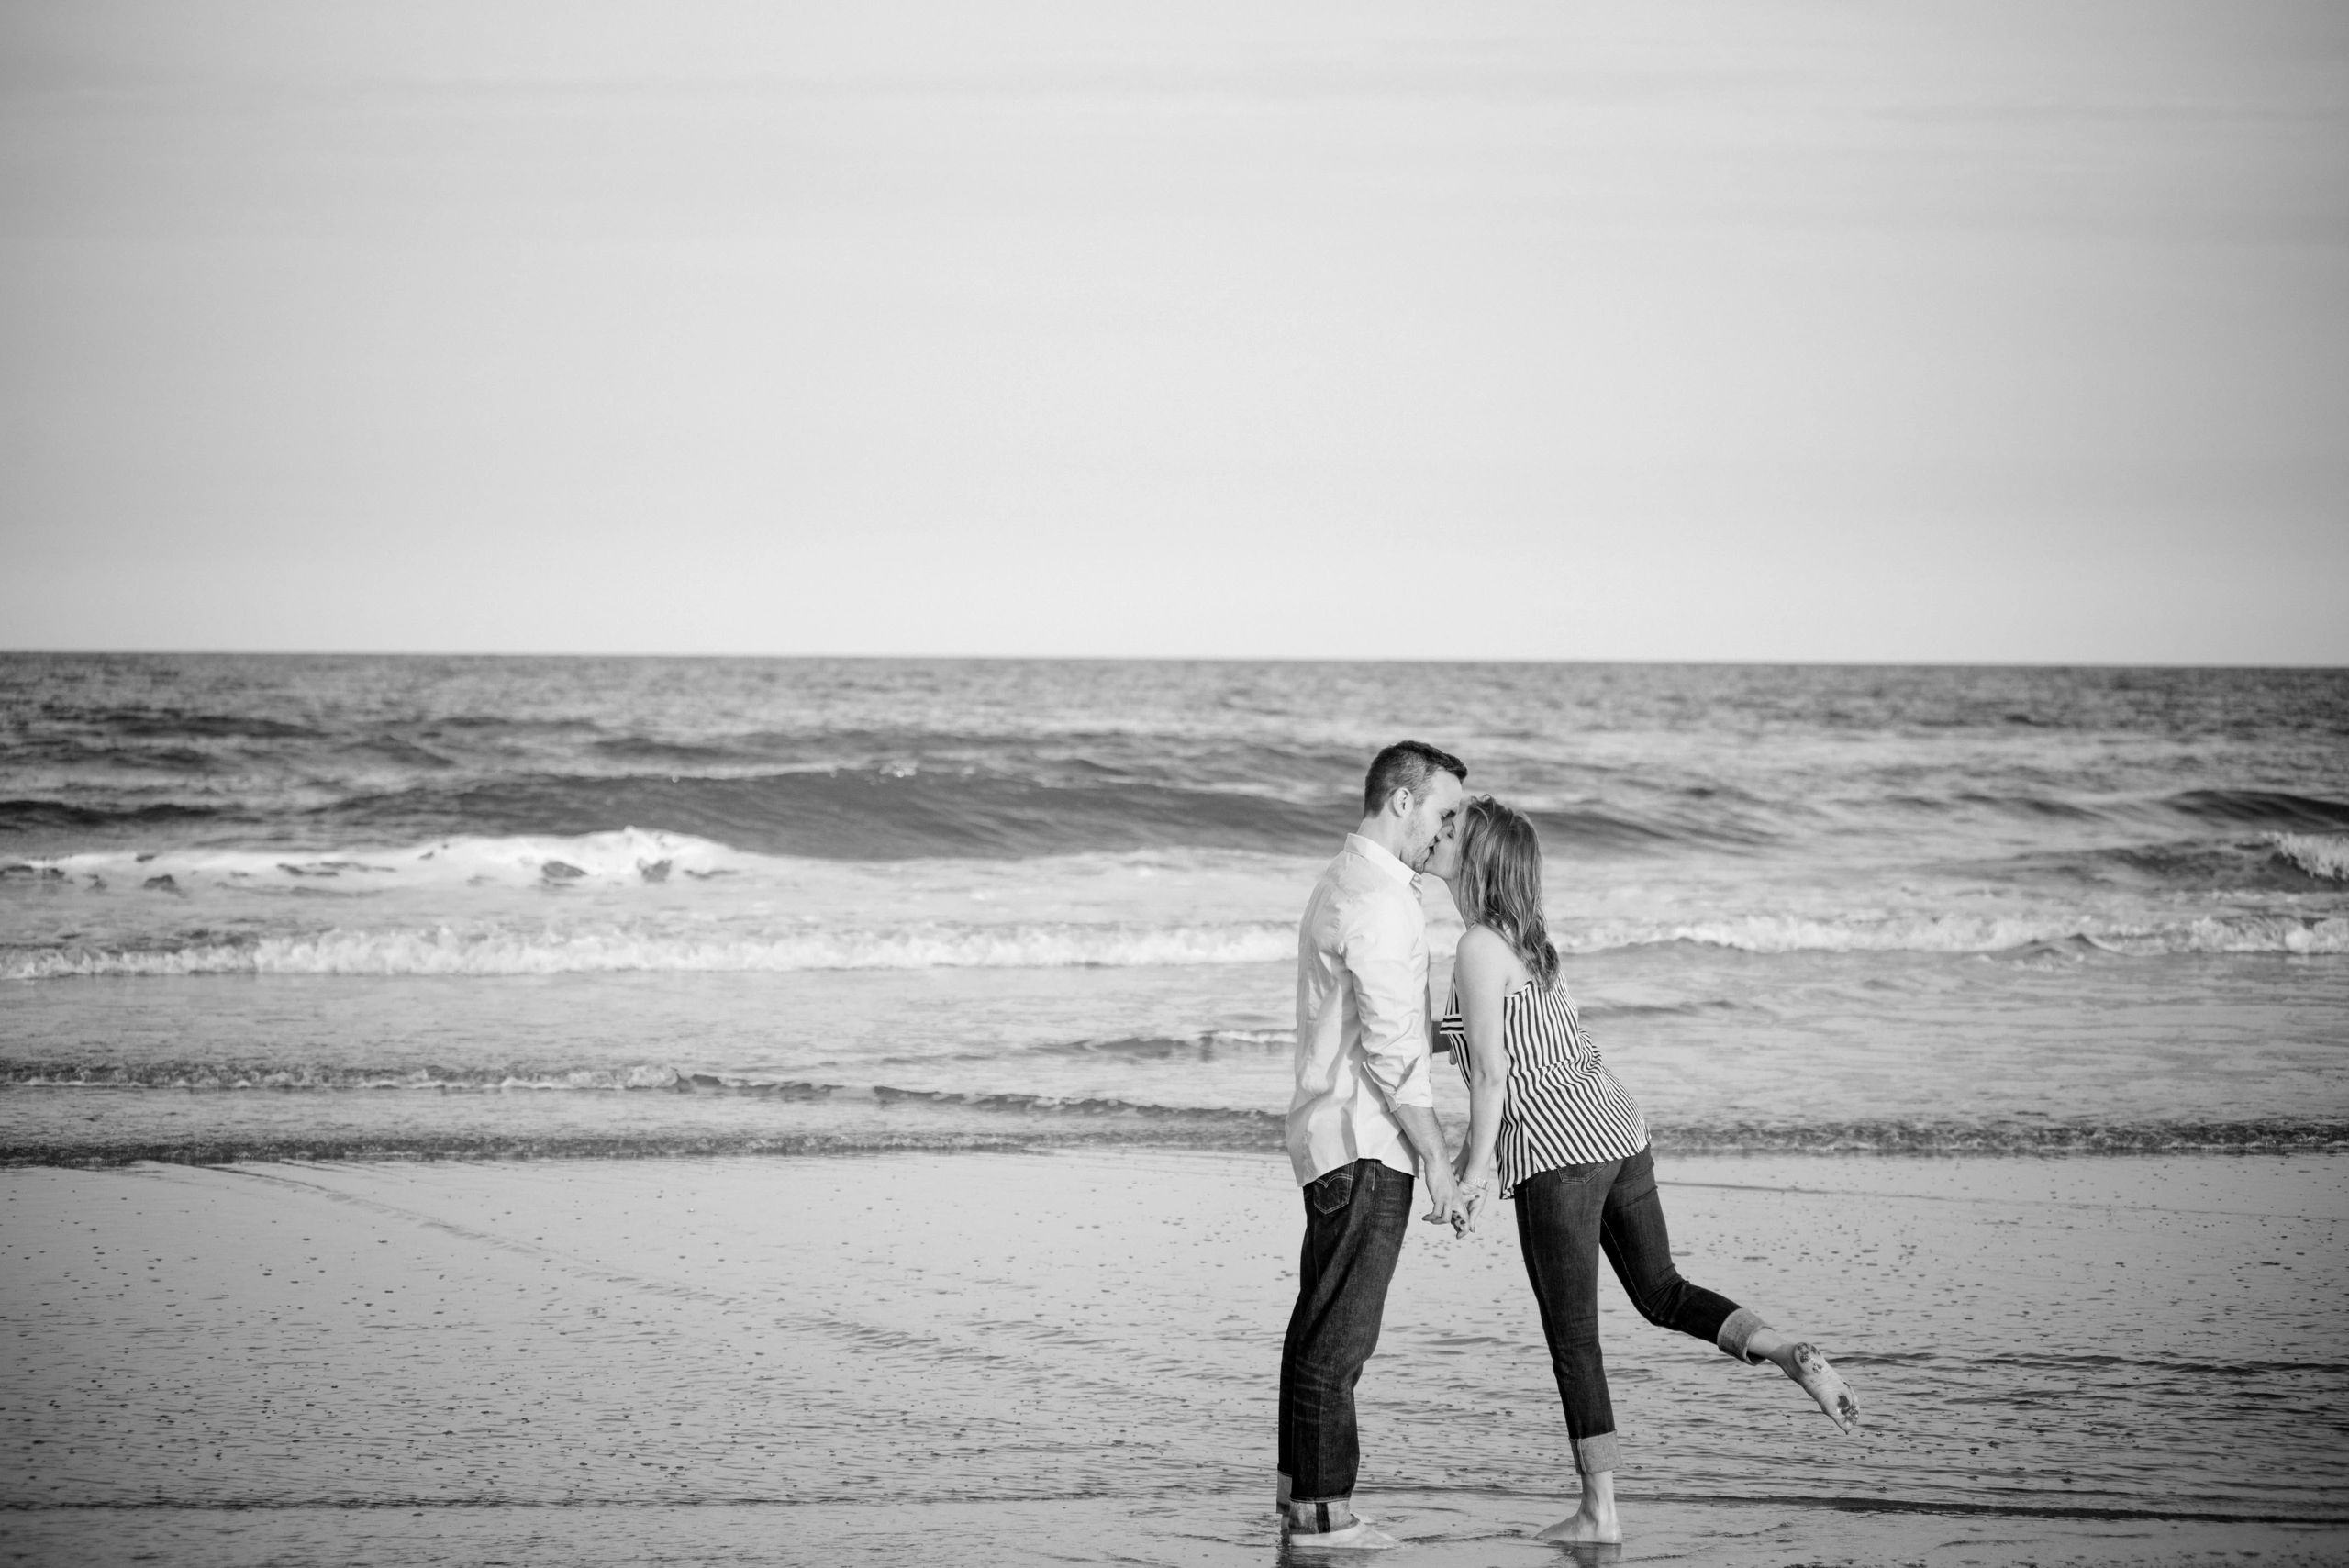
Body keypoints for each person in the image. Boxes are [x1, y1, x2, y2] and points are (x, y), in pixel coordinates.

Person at [1436, 794, 1860, 1546]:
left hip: (1559, 1156)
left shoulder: (1474, 944)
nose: (1438, 836)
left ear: (1478, 862)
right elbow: (1496, 1035)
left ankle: (1599, 1512)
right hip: (1619, 1129)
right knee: (1661, 1291)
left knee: (1574, 1337)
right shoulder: (1526, 938)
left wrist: (1470, 1180)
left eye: (1452, 831)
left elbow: (1493, 1077)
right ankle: (1780, 1349)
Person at [1277, 740, 1471, 1551]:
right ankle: (1326, 1514)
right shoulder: (1384, 902)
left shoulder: (1342, 879)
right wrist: (1437, 1157)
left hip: (1330, 1137)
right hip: (1365, 1144)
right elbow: (1393, 1055)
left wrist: (1454, 1030)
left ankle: (1299, 1503)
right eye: (1443, 811)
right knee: (1340, 1341)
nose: (1446, 830)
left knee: (1315, 1329)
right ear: (1402, 801)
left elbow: (1379, 1022)